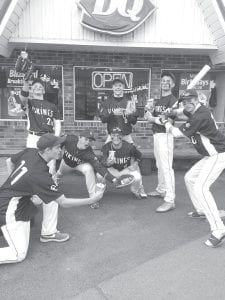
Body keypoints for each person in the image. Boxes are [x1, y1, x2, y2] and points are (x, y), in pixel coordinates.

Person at [0, 133, 103, 264]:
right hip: (8, 209)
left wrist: (17, 186)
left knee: (52, 196)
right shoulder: (40, 176)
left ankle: (48, 233)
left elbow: (9, 161)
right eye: (57, 147)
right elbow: (64, 202)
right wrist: (91, 199)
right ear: (48, 150)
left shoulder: (31, 151)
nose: (61, 150)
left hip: (16, 197)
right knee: (18, 254)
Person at [160, 89, 225, 247]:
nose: (187, 104)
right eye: (185, 101)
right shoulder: (196, 109)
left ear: (197, 100)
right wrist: (172, 111)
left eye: (191, 100)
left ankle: (218, 229)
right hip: (209, 156)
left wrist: (165, 121)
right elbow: (182, 110)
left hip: (218, 154)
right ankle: (202, 210)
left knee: (201, 187)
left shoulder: (200, 115)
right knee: (189, 178)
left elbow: (175, 132)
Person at [19, 76, 62, 241]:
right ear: (32, 89)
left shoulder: (52, 105)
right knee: (31, 172)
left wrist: (55, 139)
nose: (37, 88)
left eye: (40, 87)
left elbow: (57, 123)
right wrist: (26, 83)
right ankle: (30, 205)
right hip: (33, 139)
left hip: (48, 139)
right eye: (35, 86)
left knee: (50, 173)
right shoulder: (29, 102)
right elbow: (22, 97)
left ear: (44, 90)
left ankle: (49, 229)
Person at [54, 130, 120, 209]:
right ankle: (56, 180)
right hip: (65, 163)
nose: (88, 142)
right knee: (59, 174)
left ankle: (93, 198)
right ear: (79, 138)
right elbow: (59, 142)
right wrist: (59, 149)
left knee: (88, 168)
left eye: (90, 140)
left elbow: (99, 167)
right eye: (86, 139)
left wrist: (113, 179)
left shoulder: (89, 152)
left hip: (79, 165)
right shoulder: (70, 139)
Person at [144, 72, 177, 213]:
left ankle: (170, 200)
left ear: (173, 84)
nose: (164, 82)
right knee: (159, 165)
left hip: (166, 136)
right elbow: (149, 117)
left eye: (168, 81)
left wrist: (152, 119)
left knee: (167, 167)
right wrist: (148, 111)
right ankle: (162, 189)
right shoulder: (158, 100)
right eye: (163, 80)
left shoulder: (173, 100)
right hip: (157, 135)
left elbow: (169, 121)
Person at [101, 127, 147, 199]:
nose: (116, 137)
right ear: (110, 136)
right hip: (112, 169)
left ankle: (135, 190)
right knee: (99, 175)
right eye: (113, 135)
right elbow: (103, 161)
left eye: (118, 135)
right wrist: (107, 163)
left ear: (122, 136)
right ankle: (102, 190)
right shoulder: (106, 147)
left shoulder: (129, 147)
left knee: (137, 177)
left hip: (126, 169)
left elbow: (139, 155)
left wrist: (136, 163)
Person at [99, 78, 138, 144]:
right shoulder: (106, 102)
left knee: (132, 152)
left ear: (123, 87)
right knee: (106, 152)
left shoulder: (129, 102)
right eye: (115, 86)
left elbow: (134, 121)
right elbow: (103, 119)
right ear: (112, 87)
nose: (118, 87)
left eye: (120, 85)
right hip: (112, 135)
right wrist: (113, 113)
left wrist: (127, 114)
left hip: (126, 135)